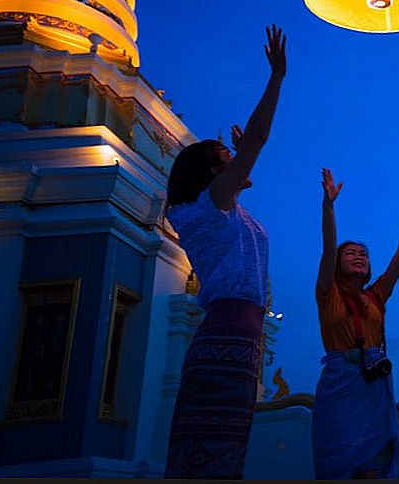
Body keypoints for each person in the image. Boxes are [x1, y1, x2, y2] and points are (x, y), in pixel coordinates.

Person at [163, 24, 286, 479]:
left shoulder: (227, 211)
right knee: (209, 449)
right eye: (226, 156)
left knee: (228, 446)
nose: (236, 158)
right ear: (214, 170)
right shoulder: (206, 210)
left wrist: (236, 160)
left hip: (244, 333)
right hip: (227, 330)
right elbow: (255, 141)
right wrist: (276, 79)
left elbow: (246, 156)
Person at [311, 167, 399, 479]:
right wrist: (328, 206)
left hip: (375, 385)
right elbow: (329, 249)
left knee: (376, 465)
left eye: (364, 254)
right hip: (342, 383)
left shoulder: (376, 296)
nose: (359, 256)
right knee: (340, 461)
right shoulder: (328, 294)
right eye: (351, 253)